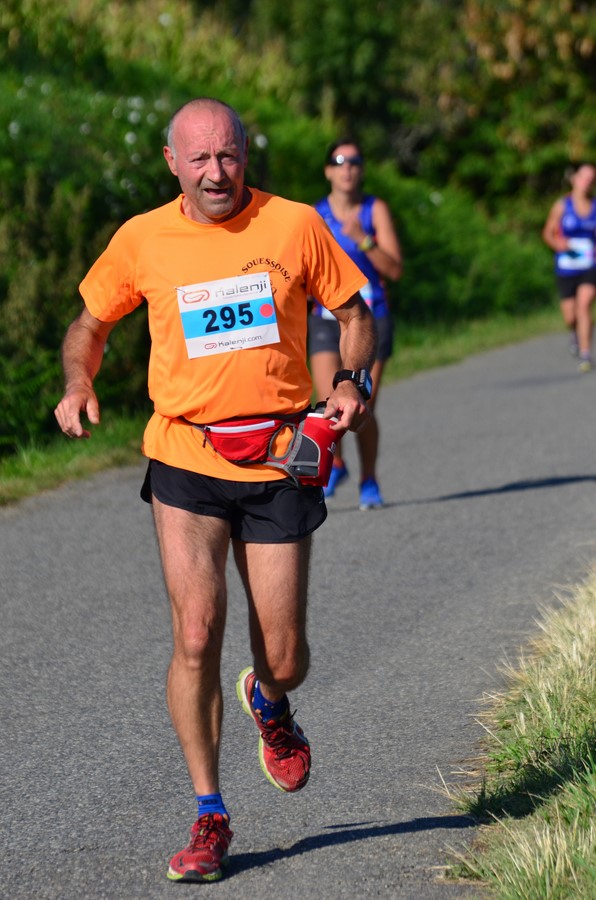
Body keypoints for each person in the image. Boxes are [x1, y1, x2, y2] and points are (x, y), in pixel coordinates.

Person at [54, 98, 375, 883]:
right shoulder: (142, 238)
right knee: (195, 634)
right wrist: (77, 383)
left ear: (245, 155)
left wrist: (348, 380)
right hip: (185, 455)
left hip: (278, 459)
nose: (215, 172)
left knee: (286, 658)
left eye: (227, 155)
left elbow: (353, 311)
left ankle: (270, 699)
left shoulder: (293, 224)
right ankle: (209, 813)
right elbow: (89, 326)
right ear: (172, 163)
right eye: (198, 158)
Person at [308, 139, 402, 509]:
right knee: (328, 403)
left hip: (370, 318)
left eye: (354, 161)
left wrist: (364, 240)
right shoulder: (314, 215)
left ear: (361, 169)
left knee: (361, 406)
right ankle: (338, 465)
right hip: (325, 318)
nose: (347, 167)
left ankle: (369, 479)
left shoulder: (374, 210)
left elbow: (394, 269)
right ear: (328, 170)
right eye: (338, 161)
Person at [542, 163, 596, 373]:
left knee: (584, 306)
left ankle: (585, 353)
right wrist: (558, 244)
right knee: (570, 316)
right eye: (584, 177)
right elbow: (547, 233)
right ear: (574, 179)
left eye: (591, 179)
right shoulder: (562, 206)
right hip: (566, 267)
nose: (587, 182)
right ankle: (575, 332)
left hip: (589, 266)